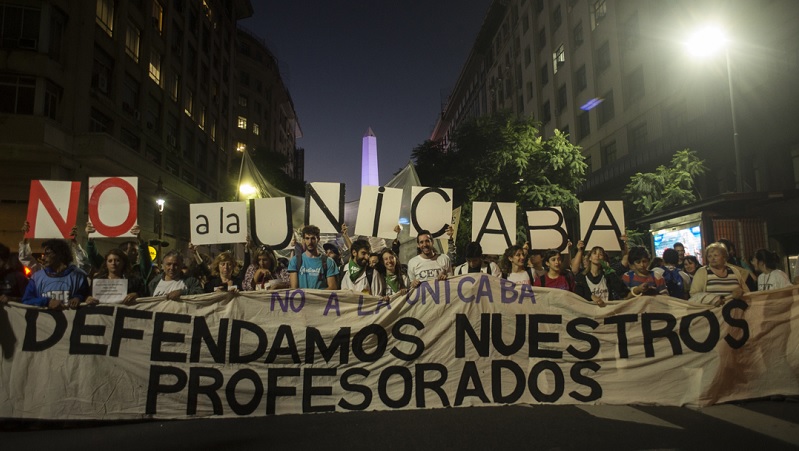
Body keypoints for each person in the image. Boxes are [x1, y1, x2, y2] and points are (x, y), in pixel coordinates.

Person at [22, 239, 90, 309]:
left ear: (60, 254)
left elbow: (86, 296)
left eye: (47, 254)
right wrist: (47, 302)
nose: (43, 258)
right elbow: (27, 300)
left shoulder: (78, 276)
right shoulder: (36, 278)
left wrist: (78, 298)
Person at [86, 222, 154, 284]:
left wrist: (140, 240)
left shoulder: (139, 270)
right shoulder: (110, 266)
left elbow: (146, 259)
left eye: (138, 251)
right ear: (123, 252)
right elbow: (94, 256)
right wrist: (90, 239)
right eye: (133, 251)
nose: (137, 254)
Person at [288, 225, 340, 290]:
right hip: (302, 299)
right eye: (307, 238)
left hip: (321, 300)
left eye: (313, 238)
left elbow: (332, 287)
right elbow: (294, 289)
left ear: (318, 239)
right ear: (303, 240)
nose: (310, 242)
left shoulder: (328, 261)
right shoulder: (295, 260)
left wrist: (315, 298)